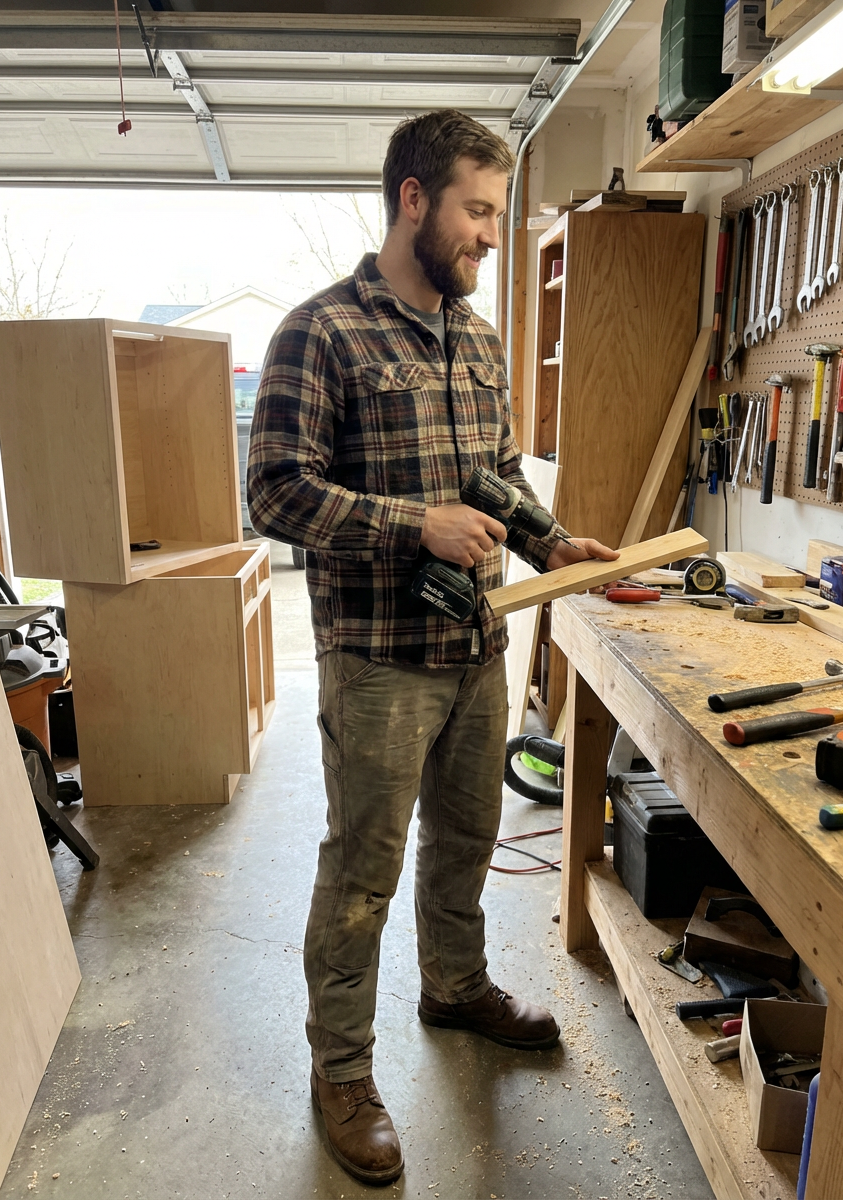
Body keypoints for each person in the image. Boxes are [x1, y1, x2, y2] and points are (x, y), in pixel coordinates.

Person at [247, 108, 619, 1187]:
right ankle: (341, 1073)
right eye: (477, 211)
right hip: (377, 659)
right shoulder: (319, 332)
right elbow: (273, 492)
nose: (491, 235)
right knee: (362, 872)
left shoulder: (477, 338)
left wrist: (549, 538)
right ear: (412, 199)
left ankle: (454, 987)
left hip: (476, 647)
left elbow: (493, 470)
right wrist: (416, 525)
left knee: (465, 840)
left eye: (496, 214)